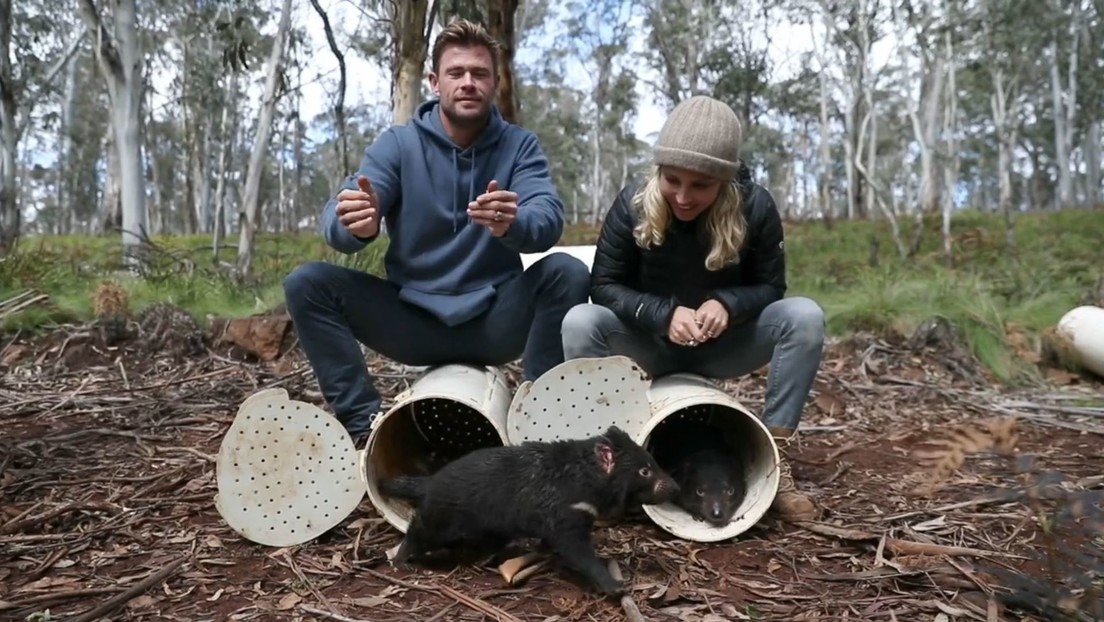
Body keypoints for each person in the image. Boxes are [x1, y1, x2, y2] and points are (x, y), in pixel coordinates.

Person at [283, 19, 590, 445]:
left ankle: (536, 426)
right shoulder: (398, 144)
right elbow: (348, 207)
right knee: (306, 284)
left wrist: (513, 223)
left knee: (566, 271)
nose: (468, 82)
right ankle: (366, 432)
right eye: (456, 72)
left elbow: (547, 218)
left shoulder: (519, 146)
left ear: (496, 82)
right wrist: (355, 221)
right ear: (434, 81)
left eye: (480, 73)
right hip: (413, 321)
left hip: (494, 320)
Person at [560, 95, 826, 522]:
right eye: (672, 179)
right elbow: (604, 286)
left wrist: (728, 303)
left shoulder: (755, 207)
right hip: (649, 344)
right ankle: (607, 469)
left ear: (726, 179)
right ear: (658, 171)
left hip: (722, 346)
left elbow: (771, 286)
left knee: (805, 317)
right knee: (580, 321)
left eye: (701, 185)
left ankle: (776, 465)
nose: (683, 197)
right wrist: (662, 314)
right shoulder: (632, 203)